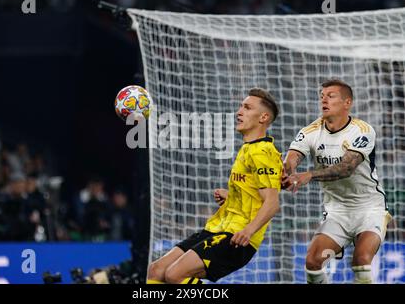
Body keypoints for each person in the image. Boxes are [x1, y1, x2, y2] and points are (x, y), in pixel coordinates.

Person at [146, 88, 282, 284]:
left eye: (247, 107)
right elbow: (253, 194)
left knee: (174, 275)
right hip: (217, 227)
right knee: (157, 270)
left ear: (263, 117)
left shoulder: (262, 152)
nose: (239, 112)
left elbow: (272, 203)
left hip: (236, 236)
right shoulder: (248, 149)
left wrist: (248, 231)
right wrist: (231, 197)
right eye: (240, 106)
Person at [282, 79, 392, 284]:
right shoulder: (309, 132)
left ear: (347, 103)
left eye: (331, 96)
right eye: (322, 96)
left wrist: (308, 175)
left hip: (369, 209)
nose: (324, 100)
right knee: (313, 263)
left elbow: (346, 168)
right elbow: (291, 161)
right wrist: (284, 172)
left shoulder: (362, 130)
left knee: (361, 261)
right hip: (337, 212)